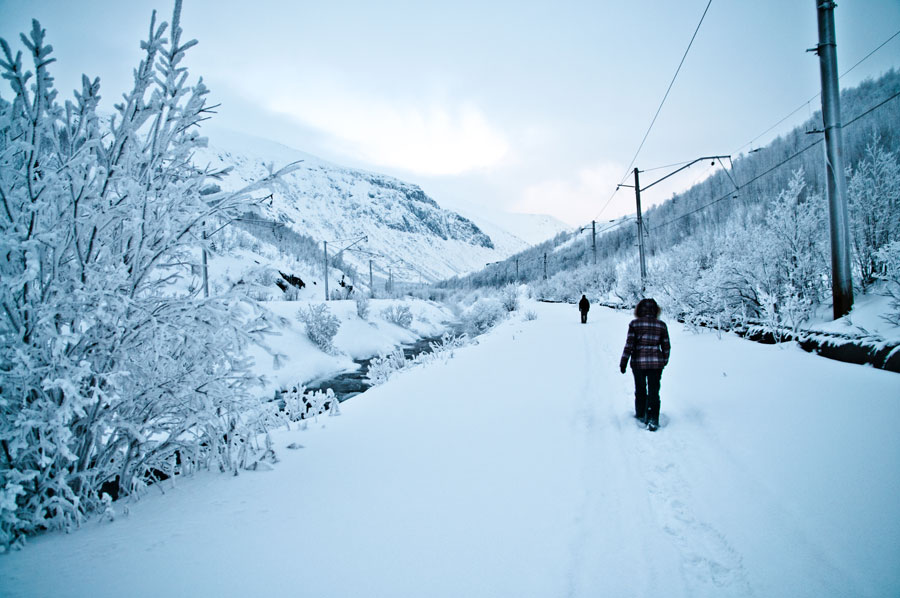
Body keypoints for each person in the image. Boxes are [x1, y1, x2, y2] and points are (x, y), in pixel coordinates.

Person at [619, 298, 670, 431]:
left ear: (639, 310)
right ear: (656, 310)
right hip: (656, 363)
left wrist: (623, 362)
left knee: (640, 389)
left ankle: (641, 414)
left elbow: (629, 345)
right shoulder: (661, 325)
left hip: (638, 363)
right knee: (654, 391)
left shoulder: (634, 324)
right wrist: (664, 361)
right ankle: (653, 418)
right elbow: (666, 346)